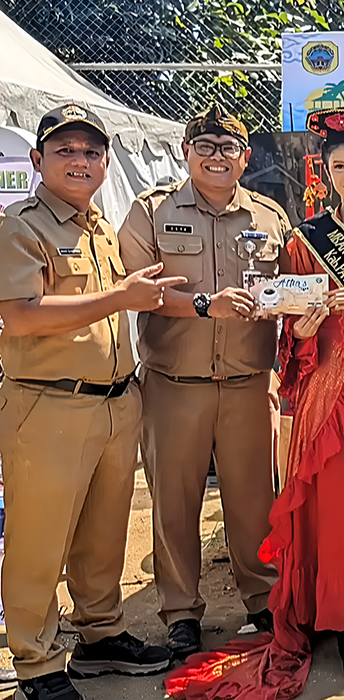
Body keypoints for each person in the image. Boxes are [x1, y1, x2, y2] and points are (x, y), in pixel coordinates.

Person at [164, 108, 344, 699]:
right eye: (338, 165)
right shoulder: (304, 239)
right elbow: (288, 318)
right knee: (339, 510)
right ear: (326, 170)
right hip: (329, 393)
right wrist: (308, 319)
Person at [0, 104, 178, 700]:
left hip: (114, 401)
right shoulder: (20, 228)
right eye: (65, 150)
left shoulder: (97, 225)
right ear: (37, 160)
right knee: (39, 540)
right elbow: (20, 317)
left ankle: (100, 634)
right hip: (49, 406)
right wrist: (120, 298)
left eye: (91, 152)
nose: (80, 161)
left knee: (103, 533)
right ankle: (37, 662)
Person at [118, 104, 286, 659]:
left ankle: (262, 600)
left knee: (254, 500)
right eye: (205, 146)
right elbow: (134, 288)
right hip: (174, 383)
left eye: (228, 147)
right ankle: (181, 612)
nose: (217, 156)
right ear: (186, 153)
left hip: (246, 382)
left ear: (244, 157)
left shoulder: (269, 217)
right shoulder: (152, 212)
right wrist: (204, 305)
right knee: (174, 502)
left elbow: (289, 286)